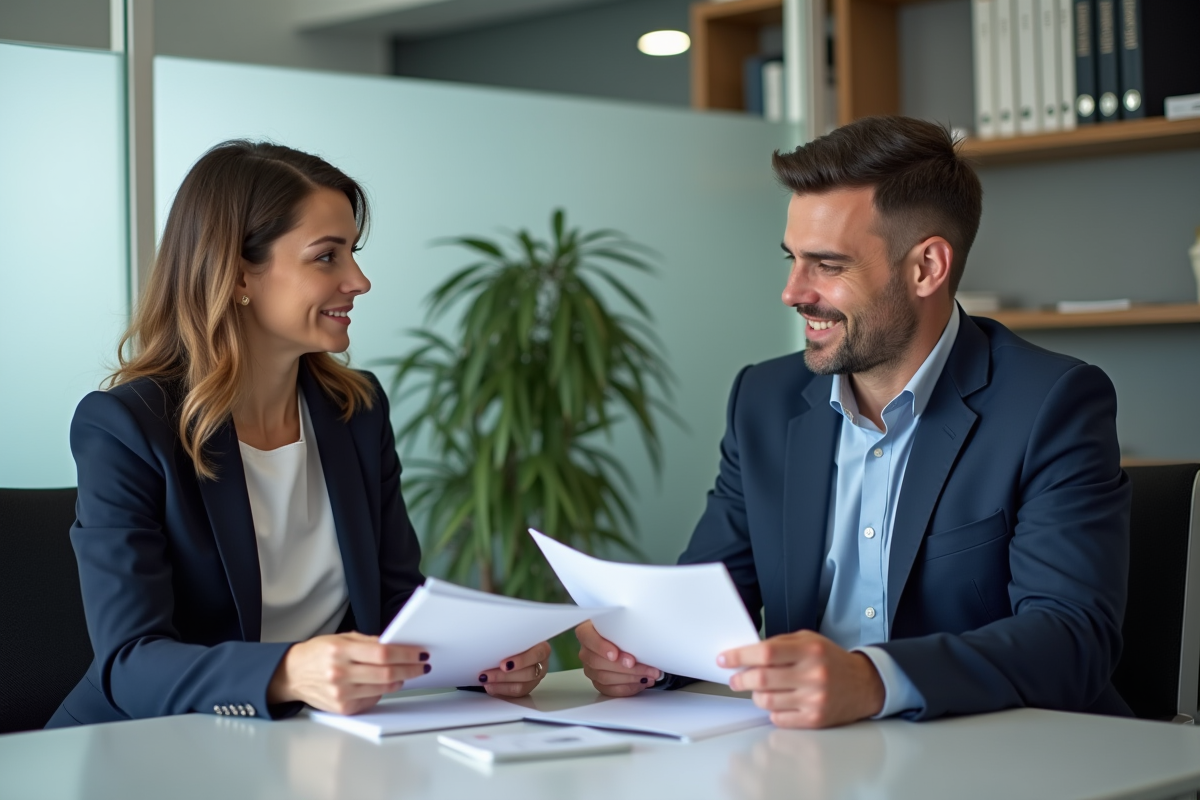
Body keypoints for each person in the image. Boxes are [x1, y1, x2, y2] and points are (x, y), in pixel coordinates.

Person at [575, 116, 1132, 726]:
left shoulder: (1051, 402)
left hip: (997, 758)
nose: (792, 291)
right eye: (792, 258)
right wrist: (642, 653)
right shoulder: (763, 399)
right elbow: (709, 607)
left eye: (828, 265)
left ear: (926, 268)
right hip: (804, 759)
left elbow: (1071, 640)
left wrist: (874, 680)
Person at [48, 141, 549, 727]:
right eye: (326, 257)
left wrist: (484, 654)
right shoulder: (128, 427)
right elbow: (130, 664)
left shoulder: (355, 411)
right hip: (141, 749)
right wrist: (289, 671)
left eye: (353, 254)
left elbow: (393, 605)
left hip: (301, 743)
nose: (358, 281)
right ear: (237, 274)